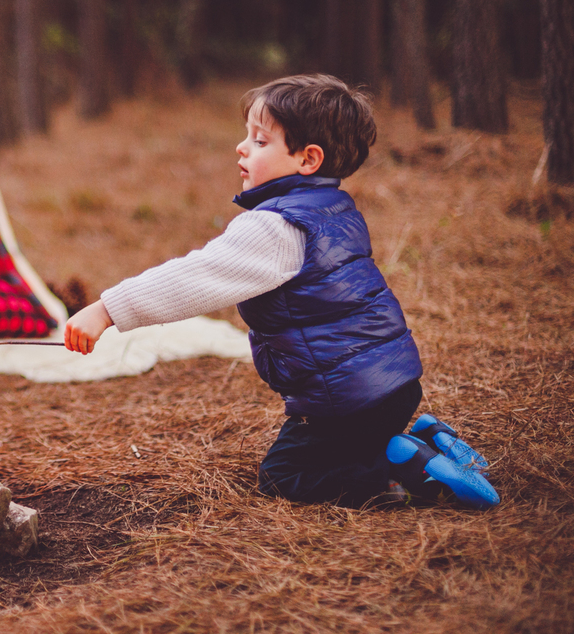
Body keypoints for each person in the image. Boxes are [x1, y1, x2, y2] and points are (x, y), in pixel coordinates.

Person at [64, 74, 499, 510]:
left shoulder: (274, 226)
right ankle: (424, 438)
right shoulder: (333, 208)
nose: (242, 147)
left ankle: (408, 474)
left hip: (347, 399)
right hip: (395, 384)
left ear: (308, 159)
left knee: (284, 475)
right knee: (353, 443)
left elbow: (196, 276)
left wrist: (106, 310)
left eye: (260, 140)